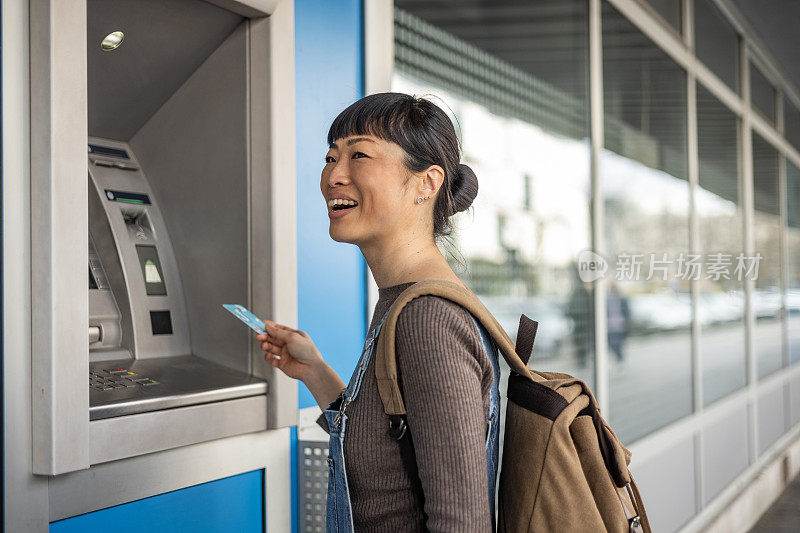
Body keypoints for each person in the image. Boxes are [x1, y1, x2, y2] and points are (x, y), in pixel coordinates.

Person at [255, 92, 496, 532]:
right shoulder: (401, 301)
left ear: (427, 183)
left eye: (358, 154)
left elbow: (462, 522)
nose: (333, 175)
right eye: (331, 156)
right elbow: (386, 451)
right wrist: (314, 371)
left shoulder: (428, 319)